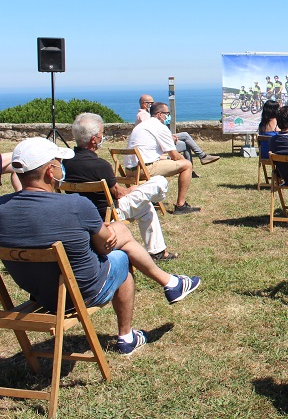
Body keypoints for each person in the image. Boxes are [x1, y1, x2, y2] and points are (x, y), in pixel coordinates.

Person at [0, 137, 201, 354]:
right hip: (82, 292)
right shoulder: (75, 205)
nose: (62, 168)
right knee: (122, 255)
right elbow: (106, 246)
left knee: (117, 233)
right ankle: (128, 335)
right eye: (59, 163)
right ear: (50, 171)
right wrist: (100, 230)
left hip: (40, 292)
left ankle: (171, 283)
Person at [65, 113, 178, 261]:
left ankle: (157, 251)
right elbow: (119, 194)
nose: (102, 137)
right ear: (93, 140)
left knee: (146, 207)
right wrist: (133, 189)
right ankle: (158, 199)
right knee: (159, 182)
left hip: (80, 214)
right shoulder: (101, 166)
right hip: (108, 213)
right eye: (101, 134)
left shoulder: (66, 162)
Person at [127, 102, 201, 214]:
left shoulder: (141, 126)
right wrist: (183, 160)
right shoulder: (160, 127)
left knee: (165, 161)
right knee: (187, 165)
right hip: (144, 169)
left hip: (129, 170)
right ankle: (181, 205)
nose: (168, 116)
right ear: (160, 114)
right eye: (167, 113)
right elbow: (174, 155)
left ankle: (152, 199)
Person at [136, 94, 220, 175]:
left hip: (155, 143)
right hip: (154, 147)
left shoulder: (144, 115)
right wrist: (170, 138)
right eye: (150, 103)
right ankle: (195, 163)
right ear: (144, 104)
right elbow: (152, 132)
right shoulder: (144, 115)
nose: (152, 105)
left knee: (185, 138)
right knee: (185, 139)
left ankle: (197, 162)